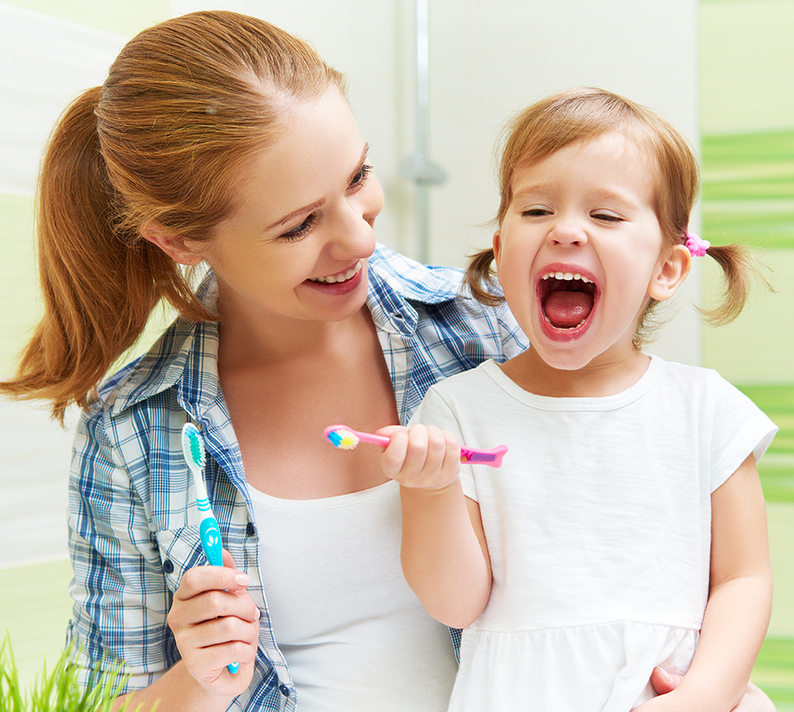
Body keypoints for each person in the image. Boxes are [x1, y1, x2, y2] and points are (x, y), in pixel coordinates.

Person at [0, 12, 772, 711]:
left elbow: (655, 548)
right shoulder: (137, 430)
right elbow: (105, 699)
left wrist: (711, 686)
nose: (362, 238)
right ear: (180, 240)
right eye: (301, 224)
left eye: (359, 177)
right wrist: (195, 679)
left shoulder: (491, 330)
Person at [383, 88, 778, 711]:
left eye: (607, 216)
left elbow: (744, 579)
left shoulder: (706, 410)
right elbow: (456, 604)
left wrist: (702, 696)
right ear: (501, 248)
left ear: (667, 269)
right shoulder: (459, 409)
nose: (566, 230)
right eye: (536, 210)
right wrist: (428, 490)